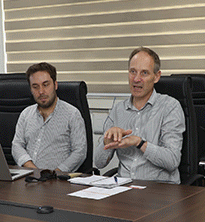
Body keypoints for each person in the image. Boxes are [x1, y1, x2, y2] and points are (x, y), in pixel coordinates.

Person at [93, 47, 184, 183]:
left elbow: (172, 160)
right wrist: (107, 141)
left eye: (144, 73)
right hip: (124, 188)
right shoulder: (118, 110)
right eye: (132, 72)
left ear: (156, 76)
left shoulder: (170, 107)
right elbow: (99, 163)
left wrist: (139, 142)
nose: (136, 79)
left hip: (159, 190)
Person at [11, 62, 87, 172]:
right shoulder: (26, 114)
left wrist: (56, 174)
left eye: (46, 85)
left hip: (57, 181)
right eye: (35, 87)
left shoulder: (72, 114)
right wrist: (33, 170)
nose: (41, 91)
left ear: (55, 85)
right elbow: (17, 145)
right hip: (28, 177)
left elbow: (79, 152)